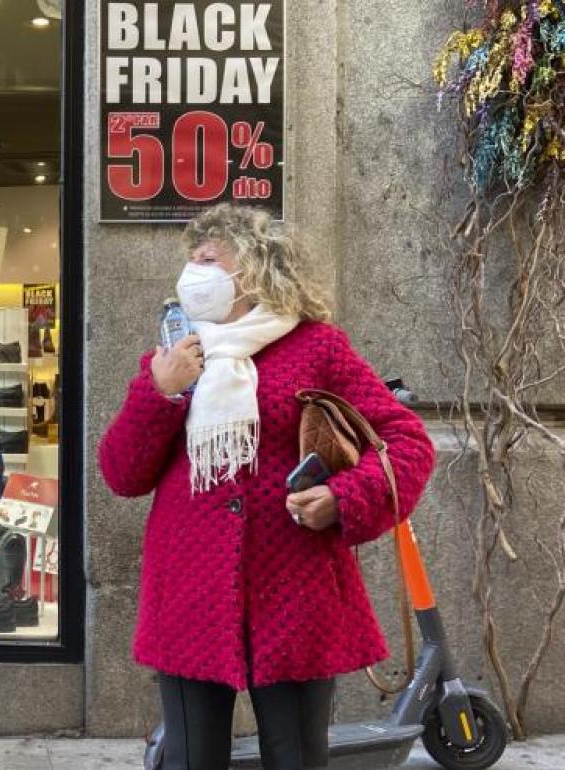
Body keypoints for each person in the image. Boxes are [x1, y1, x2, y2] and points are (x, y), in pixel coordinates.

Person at [98, 204, 436, 770]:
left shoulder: (317, 347)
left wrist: (344, 498)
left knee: (297, 756)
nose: (193, 273)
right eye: (190, 261)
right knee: (190, 758)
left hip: (295, 590)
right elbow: (121, 473)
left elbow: (407, 442)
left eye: (208, 260)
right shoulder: (175, 355)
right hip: (190, 591)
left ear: (251, 270)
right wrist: (161, 391)